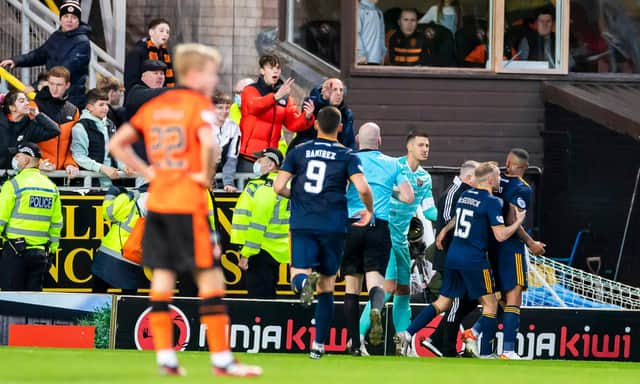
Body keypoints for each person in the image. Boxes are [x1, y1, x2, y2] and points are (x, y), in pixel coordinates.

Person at [109, 43, 262, 377]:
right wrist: (205, 176)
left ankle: (165, 356)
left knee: (162, 278)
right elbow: (209, 146)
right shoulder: (197, 105)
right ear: (195, 74)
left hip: (160, 202)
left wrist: (149, 172)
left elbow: (117, 143)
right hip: (189, 204)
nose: (214, 78)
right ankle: (222, 359)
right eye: (211, 72)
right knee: (211, 278)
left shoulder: (159, 105)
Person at [395, 162, 527, 358]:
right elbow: (500, 235)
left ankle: (407, 333)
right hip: (474, 259)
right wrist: (518, 221)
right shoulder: (492, 202)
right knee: (491, 304)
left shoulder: (466, 195)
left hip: (454, 256)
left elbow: (457, 218)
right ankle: (484, 351)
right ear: (490, 179)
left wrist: (444, 232)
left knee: (442, 303)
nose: (500, 179)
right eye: (498, 175)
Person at [274, 106, 373, 360]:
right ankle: (318, 345)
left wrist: (298, 196)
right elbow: (362, 188)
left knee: (298, 275)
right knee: (328, 287)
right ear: (340, 127)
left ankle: (304, 284)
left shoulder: (298, 152)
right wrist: (368, 210)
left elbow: (278, 186)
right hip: (333, 225)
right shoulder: (347, 155)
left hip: (303, 222)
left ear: (316, 125)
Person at [359, 131, 438, 353]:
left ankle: (403, 342)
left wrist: (452, 217)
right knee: (388, 289)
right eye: (421, 145)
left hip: (402, 241)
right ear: (409, 147)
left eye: (428, 145)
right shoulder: (394, 166)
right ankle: (359, 337)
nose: (425, 149)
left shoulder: (425, 177)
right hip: (386, 236)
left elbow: (430, 210)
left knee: (403, 291)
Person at [343, 123, 414, 356]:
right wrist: (389, 189)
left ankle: (355, 344)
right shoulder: (393, 164)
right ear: (380, 141)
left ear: (356, 139)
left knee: (352, 288)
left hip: (353, 223)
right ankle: (375, 308)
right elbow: (407, 196)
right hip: (378, 226)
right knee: (376, 282)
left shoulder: (349, 160)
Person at [413, 160, 479, 357]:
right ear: (468, 177)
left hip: (458, 257)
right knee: (454, 301)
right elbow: (448, 227)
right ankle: (444, 345)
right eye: (477, 178)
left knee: (465, 301)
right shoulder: (452, 194)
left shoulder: (466, 193)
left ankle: (433, 340)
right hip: (451, 258)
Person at [490, 148, 546, 360]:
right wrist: (531, 243)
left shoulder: (496, 180)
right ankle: (508, 350)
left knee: (499, 298)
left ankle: (476, 333)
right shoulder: (522, 188)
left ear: (510, 163)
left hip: (492, 245)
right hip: (511, 247)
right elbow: (514, 219)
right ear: (524, 168)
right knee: (514, 295)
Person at [0, 1, 91, 107]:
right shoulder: (56, 36)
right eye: (66, 16)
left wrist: (37, 85)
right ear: (61, 19)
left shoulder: (82, 42)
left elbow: (65, 70)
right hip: (51, 94)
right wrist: (16, 60)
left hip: (70, 98)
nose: (69, 20)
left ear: (78, 21)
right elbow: (39, 54)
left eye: (74, 17)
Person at [0, 143, 62, 291]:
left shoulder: (13, 185)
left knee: (12, 302)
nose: (14, 159)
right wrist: (52, 249)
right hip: (41, 254)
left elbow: (1, 218)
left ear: (27, 160)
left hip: (15, 251)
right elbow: (56, 224)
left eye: (18, 156)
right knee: (32, 303)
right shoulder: (51, 187)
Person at [238, 54, 315, 172]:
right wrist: (276, 97)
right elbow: (254, 107)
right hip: (249, 156)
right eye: (271, 67)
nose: (276, 71)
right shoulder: (250, 90)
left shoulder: (285, 97)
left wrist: (307, 116)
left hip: (271, 158)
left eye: (278, 68)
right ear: (262, 71)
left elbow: (292, 124)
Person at [230, 148, 289, 298]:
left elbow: (258, 222)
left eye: (260, 160)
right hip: (274, 248)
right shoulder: (284, 184)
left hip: (261, 248)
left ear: (271, 165)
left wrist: (247, 253)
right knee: (268, 295)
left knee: (259, 299)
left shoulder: (265, 185)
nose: (255, 163)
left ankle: (262, 321)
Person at [92, 184, 150, 293]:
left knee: (97, 298)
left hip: (111, 254)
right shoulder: (167, 202)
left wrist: (111, 193)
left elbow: (109, 213)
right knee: (128, 301)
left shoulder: (132, 196)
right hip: (136, 259)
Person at [70, 89, 123, 186]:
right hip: (88, 185)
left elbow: (114, 153)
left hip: (112, 184)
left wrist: (124, 167)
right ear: (90, 107)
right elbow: (79, 156)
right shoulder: (80, 127)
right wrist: (101, 168)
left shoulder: (110, 124)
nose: (106, 108)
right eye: (101, 105)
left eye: (107, 104)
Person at [34, 66, 80, 176]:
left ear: (67, 85)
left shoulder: (73, 110)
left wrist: (71, 163)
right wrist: (37, 162)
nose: (54, 88)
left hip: (64, 173)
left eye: (59, 85)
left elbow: (74, 144)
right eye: (51, 84)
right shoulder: (34, 106)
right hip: (38, 171)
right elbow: (27, 140)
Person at [289, 78, 355, 151]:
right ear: (323, 92)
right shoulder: (312, 105)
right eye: (334, 89)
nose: (339, 93)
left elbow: (350, 141)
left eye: (341, 90)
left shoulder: (346, 113)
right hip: (311, 152)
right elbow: (303, 135)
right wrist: (324, 101)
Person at [1, 90, 60, 170]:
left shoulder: (30, 125)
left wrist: (38, 115)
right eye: (22, 101)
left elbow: (55, 131)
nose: (27, 103)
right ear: (12, 108)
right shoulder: (2, 122)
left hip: (17, 176)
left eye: (26, 100)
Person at [124, 18, 175, 91]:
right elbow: (131, 81)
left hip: (160, 96)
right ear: (151, 32)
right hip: (141, 96)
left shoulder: (165, 54)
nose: (165, 34)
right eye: (161, 31)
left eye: (167, 32)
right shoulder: (137, 51)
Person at [212, 91, 241, 192]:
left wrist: (228, 182)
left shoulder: (234, 127)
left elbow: (232, 158)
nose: (224, 111)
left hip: (221, 170)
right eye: (220, 108)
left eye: (227, 108)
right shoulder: (203, 125)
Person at [357, 0, 386, 65]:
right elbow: (356, 34)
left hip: (376, 59)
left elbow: (381, 35)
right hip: (363, 60)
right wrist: (360, 54)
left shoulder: (379, 12)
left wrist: (382, 54)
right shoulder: (358, 10)